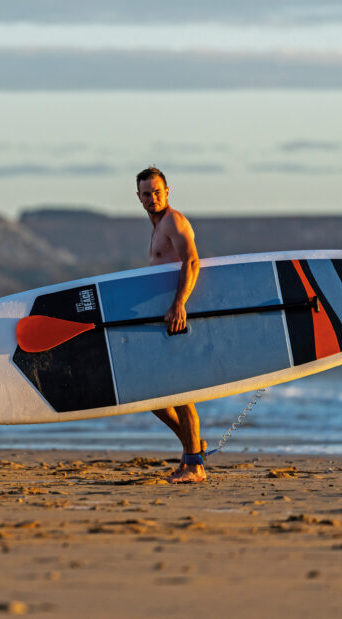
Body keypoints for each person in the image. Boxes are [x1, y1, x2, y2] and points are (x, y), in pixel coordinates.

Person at [136, 167, 206, 483]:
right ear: (139, 197)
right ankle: (194, 447)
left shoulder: (173, 221)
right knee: (154, 396)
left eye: (157, 192)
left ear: (167, 192)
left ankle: (194, 466)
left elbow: (192, 261)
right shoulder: (157, 228)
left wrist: (180, 304)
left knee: (179, 391)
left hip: (177, 315)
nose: (153, 197)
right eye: (147, 193)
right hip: (164, 317)